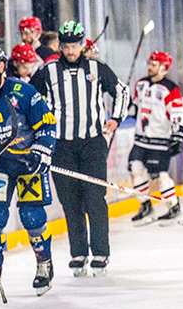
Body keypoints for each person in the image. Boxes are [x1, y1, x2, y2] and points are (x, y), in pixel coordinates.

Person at [30, 21, 129, 276]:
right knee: (70, 201)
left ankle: (101, 253)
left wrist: (116, 118)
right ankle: (78, 253)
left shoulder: (96, 68)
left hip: (92, 143)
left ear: (82, 45)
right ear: (60, 46)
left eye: (74, 46)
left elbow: (121, 91)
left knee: (95, 199)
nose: (70, 50)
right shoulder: (48, 70)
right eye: (66, 46)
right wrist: (37, 129)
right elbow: (29, 98)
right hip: (61, 146)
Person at [0, 46, 57, 296]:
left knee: (32, 217)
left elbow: (47, 124)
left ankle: (44, 265)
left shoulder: (24, 92)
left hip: (27, 164)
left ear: (2, 66)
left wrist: (41, 151)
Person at [128, 51, 183, 225]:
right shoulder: (141, 84)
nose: (150, 67)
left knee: (160, 176)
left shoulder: (170, 88)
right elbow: (135, 108)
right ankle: (146, 207)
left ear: (164, 67)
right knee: (135, 170)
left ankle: (174, 207)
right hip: (140, 139)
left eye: (154, 64)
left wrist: (178, 135)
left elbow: (177, 113)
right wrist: (125, 104)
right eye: (150, 63)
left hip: (160, 140)